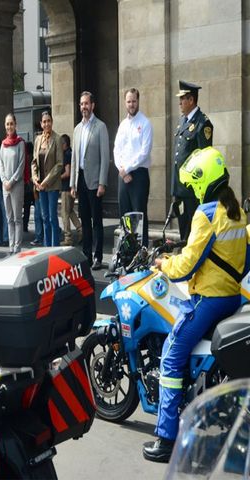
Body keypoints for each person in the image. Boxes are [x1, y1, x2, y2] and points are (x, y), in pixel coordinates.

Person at [143, 147, 249, 463]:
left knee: (171, 357)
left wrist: (163, 263)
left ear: (203, 182)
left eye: (193, 185)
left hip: (207, 300)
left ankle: (166, 438)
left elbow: (188, 265)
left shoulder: (205, 214)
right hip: (231, 296)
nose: (192, 190)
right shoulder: (236, 213)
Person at [70, 91, 110, 270]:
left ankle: (98, 256)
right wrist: (72, 183)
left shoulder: (100, 127)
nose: (83, 107)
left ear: (92, 105)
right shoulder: (77, 129)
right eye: (81, 104)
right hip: (81, 181)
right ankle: (86, 254)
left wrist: (102, 182)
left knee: (97, 221)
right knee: (85, 221)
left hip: (95, 182)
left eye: (86, 104)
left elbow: (104, 156)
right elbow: (74, 159)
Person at [172, 80, 213, 242]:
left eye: (183, 99)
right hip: (180, 188)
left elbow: (205, 159)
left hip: (193, 190)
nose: (180, 102)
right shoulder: (183, 120)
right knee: (184, 231)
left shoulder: (203, 123)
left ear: (191, 100)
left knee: (194, 233)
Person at [113, 88, 153, 246]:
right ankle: (128, 252)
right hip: (123, 176)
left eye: (134, 101)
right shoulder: (122, 125)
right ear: (125, 102)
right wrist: (122, 171)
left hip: (139, 176)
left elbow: (145, 151)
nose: (131, 104)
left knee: (139, 217)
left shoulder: (145, 123)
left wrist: (127, 169)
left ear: (138, 101)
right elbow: (116, 150)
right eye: (129, 101)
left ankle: (141, 253)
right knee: (125, 217)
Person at [31, 111, 62, 247]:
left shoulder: (57, 139)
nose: (46, 124)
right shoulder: (38, 140)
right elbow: (34, 162)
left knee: (52, 217)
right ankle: (46, 247)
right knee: (44, 218)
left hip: (52, 185)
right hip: (40, 186)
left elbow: (59, 164)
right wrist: (35, 178)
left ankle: (54, 247)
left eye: (48, 121)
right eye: (44, 121)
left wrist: (45, 182)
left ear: (52, 122)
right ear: (41, 123)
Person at [0, 113, 25, 254]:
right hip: (6, 187)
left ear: (15, 125)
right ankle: (11, 246)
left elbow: (21, 165)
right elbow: (0, 164)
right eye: (7, 124)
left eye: (11, 124)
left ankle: (17, 247)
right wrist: (4, 181)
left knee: (17, 218)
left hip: (16, 186)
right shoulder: (3, 145)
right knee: (9, 218)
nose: (9, 126)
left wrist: (11, 181)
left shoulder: (20, 143)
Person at [60, 134, 82, 246]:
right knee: (70, 211)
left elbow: (67, 172)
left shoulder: (67, 154)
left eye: (60, 144)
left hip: (66, 188)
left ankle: (68, 237)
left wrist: (57, 178)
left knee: (64, 213)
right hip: (72, 187)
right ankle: (80, 229)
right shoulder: (71, 153)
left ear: (64, 144)